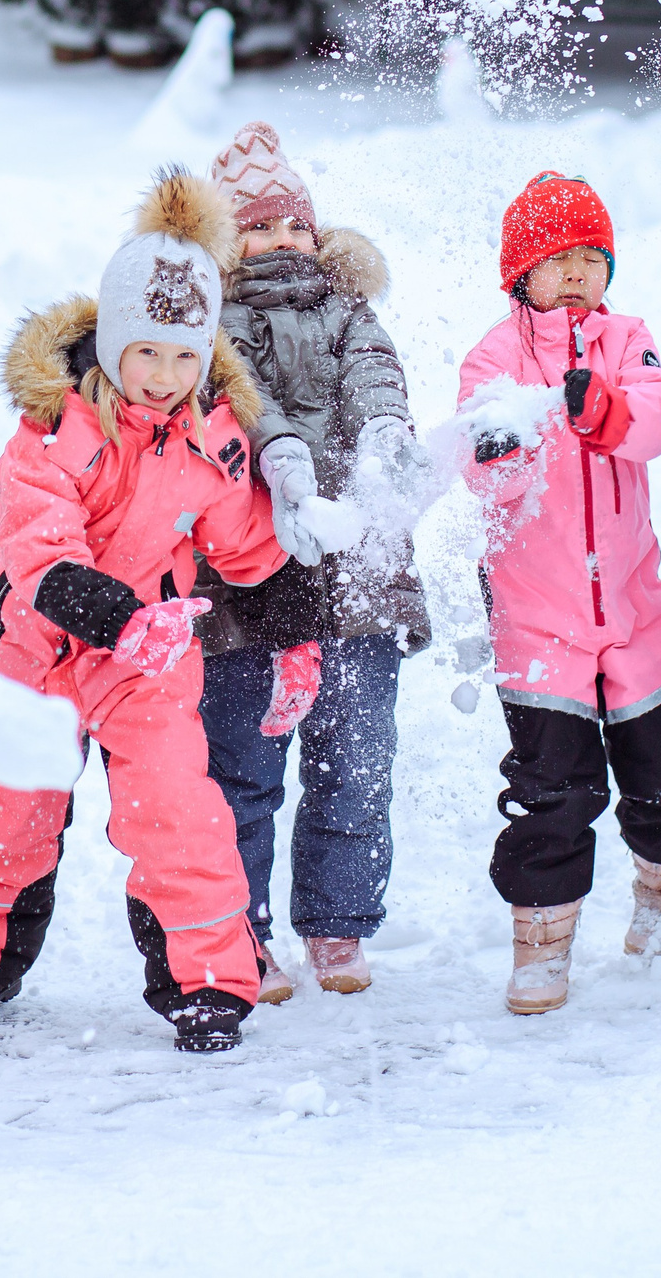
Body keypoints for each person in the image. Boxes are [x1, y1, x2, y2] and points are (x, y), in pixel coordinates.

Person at [0, 166, 289, 1052]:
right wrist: (105, 608)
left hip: (148, 655)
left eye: (185, 356)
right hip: (35, 643)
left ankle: (206, 979)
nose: (165, 376)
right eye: (147, 353)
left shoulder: (212, 435)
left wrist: (293, 538)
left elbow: (243, 548)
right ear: (113, 346)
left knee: (178, 807)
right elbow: (40, 542)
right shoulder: (53, 430)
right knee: (5, 809)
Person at [458, 171, 661, 1017]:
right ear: (518, 275)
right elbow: (477, 469)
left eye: (589, 257)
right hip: (540, 624)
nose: (574, 272)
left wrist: (606, 411)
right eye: (554, 258)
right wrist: (505, 443)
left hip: (637, 614)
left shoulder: (625, 340)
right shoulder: (495, 359)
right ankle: (541, 943)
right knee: (552, 794)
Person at [190, 122, 429, 1002]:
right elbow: (236, 394)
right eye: (259, 228)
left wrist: (385, 434)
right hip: (252, 573)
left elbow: (376, 377)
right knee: (242, 766)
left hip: (359, 569)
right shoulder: (218, 323)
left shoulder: (351, 312)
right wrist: (282, 454)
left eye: (294, 226)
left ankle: (336, 921)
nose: (281, 242)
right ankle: (239, 927)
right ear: (227, 242)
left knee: (356, 756)